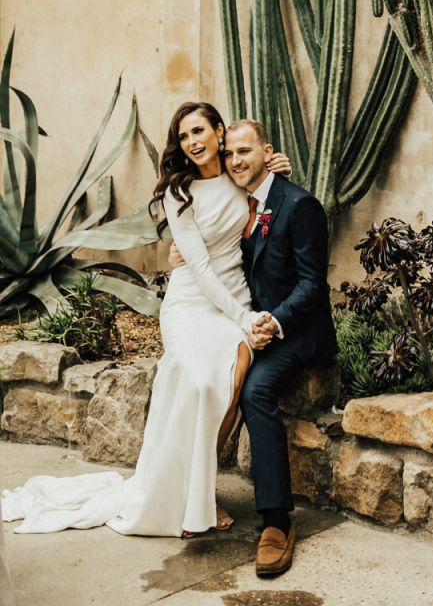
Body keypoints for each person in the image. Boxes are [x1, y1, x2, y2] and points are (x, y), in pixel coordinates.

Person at [1, 102, 292, 538]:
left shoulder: (237, 174)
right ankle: (189, 497)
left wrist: (277, 168)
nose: (192, 142)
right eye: (183, 136)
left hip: (235, 298)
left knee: (230, 386)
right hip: (193, 300)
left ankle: (201, 487)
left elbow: (267, 191)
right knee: (196, 381)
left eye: (199, 131)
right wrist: (245, 318)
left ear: (219, 132)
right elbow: (199, 266)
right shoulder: (179, 193)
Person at [218, 119, 337, 575]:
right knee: (207, 379)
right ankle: (191, 493)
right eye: (229, 153)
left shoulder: (299, 205)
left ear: (267, 152)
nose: (235, 161)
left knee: (255, 391)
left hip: (297, 331)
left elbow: (312, 284)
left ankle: (276, 520)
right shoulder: (236, 202)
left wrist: (276, 321)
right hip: (250, 327)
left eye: (244, 151)